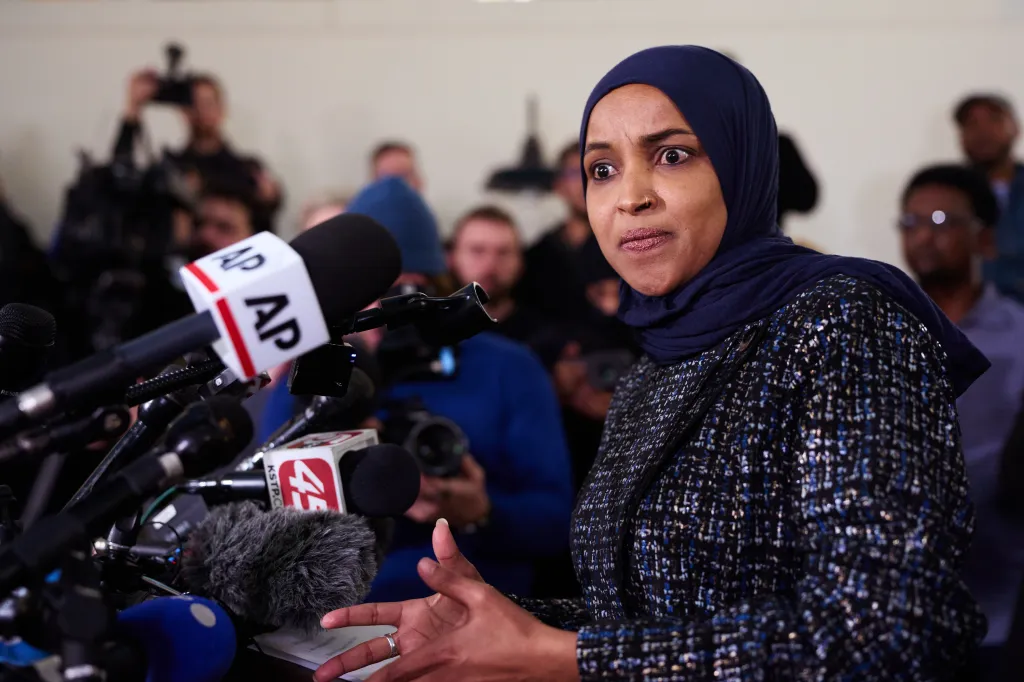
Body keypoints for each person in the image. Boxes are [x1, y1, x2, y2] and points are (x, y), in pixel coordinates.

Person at [313, 46, 989, 682]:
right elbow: (645, 624)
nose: (628, 196)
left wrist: (562, 656)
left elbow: (891, 631)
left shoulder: (844, 320)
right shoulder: (654, 362)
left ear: (740, 163)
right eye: (601, 169)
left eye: (671, 155)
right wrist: (498, 626)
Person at [263, 176, 574, 601]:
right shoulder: (319, 370)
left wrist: (481, 512)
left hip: (473, 606)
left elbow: (556, 523)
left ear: (437, 283)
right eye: (373, 291)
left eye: (409, 292)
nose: (388, 314)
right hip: (335, 605)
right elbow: (266, 500)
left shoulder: (511, 369)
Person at [899, 163, 1024, 681]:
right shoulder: (882, 328)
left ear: (986, 239)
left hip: (1002, 601)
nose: (925, 235)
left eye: (945, 220)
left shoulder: (1018, 333)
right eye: (911, 221)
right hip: (901, 608)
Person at [114, 69, 282, 232]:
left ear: (221, 109)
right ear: (184, 111)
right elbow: (120, 175)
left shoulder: (246, 169)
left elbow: (265, 218)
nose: (201, 111)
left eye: (207, 103)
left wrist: (269, 198)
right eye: (194, 104)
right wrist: (133, 109)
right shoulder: (171, 167)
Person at [515, 141, 597, 325]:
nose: (585, 181)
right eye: (575, 173)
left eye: (596, 169)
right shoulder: (537, 256)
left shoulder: (628, 248)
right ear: (559, 185)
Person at [954, 93, 1024, 303]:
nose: (982, 131)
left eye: (994, 119)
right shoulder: (950, 196)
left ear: (1015, 128)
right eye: (971, 123)